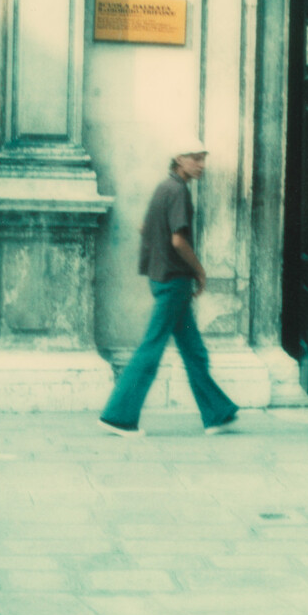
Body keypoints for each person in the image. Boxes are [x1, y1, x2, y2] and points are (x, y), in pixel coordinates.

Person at [99, 144, 239, 436]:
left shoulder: (164, 188)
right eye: (196, 159)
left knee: (193, 350)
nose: (202, 165)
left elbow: (145, 227)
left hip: (165, 279)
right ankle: (119, 416)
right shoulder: (178, 191)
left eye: (203, 159)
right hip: (174, 282)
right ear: (179, 159)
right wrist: (200, 271)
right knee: (152, 347)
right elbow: (178, 241)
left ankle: (217, 414)